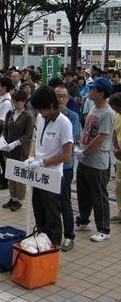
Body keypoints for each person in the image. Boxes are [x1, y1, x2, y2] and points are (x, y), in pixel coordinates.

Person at [26, 85, 73, 246]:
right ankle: (40, 243)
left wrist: (43, 162)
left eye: (43, 108)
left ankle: (53, 247)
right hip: (37, 173)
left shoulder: (64, 123)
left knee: (52, 215)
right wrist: (32, 156)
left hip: (52, 175)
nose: (40, 111)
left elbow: (66, 155)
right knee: (38, 211)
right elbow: (37, 141)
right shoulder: (40, 118)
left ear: (52, 104)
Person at [74, 77, 114, 242]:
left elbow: (100, 137)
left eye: (93, 89)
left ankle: (104, 229)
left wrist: (85, 152)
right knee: (83, 193)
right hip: (84, 160)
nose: (90, 91)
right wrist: (80, 149)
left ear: (101, 93)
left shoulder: (108, 113)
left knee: (99, 196)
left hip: (97, 162)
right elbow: (87, 131)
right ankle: (84, 220)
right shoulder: (93, 109)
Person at [0, 90, 34, 211]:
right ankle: (12, 197)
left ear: (24, 102)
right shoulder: (10, 113)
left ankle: (19, 199)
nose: (15, 104)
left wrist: (16, 143)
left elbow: (28, 135)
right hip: (8, 149)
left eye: (18, 102)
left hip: (20, 150)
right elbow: (5, 128)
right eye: (14, 102)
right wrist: (2, 137)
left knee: (19, 175)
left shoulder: (28, 116)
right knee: (10, 174)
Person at [54, 85, 80, 251]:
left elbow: (72, 140)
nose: (61, 100)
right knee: (50, 201)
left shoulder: (72, 117)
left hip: (65, 166)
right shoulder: (47, 116)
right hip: (50, 166)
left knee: (65, 201)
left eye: (64, 96)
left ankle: (69, 235)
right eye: (57, 96)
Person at [109, 93, 121, 224]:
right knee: (118, 186)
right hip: (120, 158)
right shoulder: (117, 116)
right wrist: (117, 149)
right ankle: (120, 211)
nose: (118, 112)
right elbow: (114, 133)